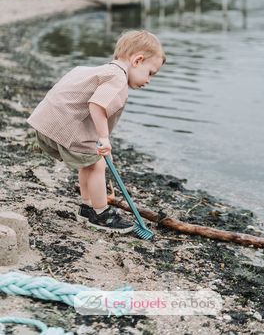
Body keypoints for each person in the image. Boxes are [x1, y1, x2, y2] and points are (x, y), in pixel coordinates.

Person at [27, 30, 166, 234]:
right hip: (64, 128)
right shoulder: (118, 78)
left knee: (89, 162)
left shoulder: (103, 70)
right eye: (150, 73)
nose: (149, 80)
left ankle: (87, 207)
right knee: (96, 164)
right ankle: (101, 214)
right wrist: (103, 138)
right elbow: (97, 105)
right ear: (138, 60)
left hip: (48, 122)